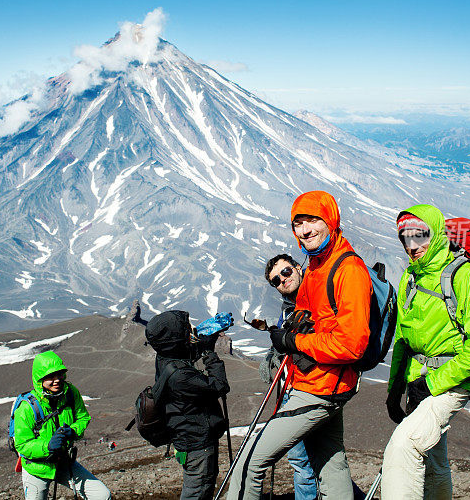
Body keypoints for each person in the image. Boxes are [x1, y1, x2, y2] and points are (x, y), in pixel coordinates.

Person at [227, 190, 372, 500]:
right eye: (298, 224)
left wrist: (292, 339)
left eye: (312, 220)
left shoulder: (348, 270)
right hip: (322, 385)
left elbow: (351, 344)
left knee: (249, 462)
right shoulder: (318, 266)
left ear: (331, 220)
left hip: (318, 388)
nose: (305, 230)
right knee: (331, 468)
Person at [381, 205, 470, 499]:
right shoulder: (411, 277)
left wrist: (432, 383)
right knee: (433, 459)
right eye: (405, 238)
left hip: (454, 379)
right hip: (419, 380)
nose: (412, 246)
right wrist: (395, 390)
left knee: (405, 446)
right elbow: (403, 340)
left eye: (420, 236)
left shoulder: (467, 278)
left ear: (436, 234)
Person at [146, 310, 231, 500]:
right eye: (185, 329)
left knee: (197, 488)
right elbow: (220, 386)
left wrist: (203, 341)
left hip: (186, 438)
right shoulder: (181, 376)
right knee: (198, 490)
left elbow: (183, 355)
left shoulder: (164, 359)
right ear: (175, 338)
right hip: (197, 442)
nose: (189, 330)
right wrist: (209, 353)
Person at [13, 350, 111, 500]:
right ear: (40, 380)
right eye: (50, 377)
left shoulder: (70, 393)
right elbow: (22, 444)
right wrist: (47, 446)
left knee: (102, 496)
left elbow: (83, 417)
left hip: (63, 461)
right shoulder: (27, 408)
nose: (57, 380)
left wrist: (73, 431)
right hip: (36, 468)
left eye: (59, 374)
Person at [261, 254, 318, 500]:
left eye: (285, 272)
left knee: (304, 461)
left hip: (311, 388)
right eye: (276, 280)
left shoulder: (317, 296)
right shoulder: (288, 307)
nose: (282, 281)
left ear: (297, 266)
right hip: (292, 387)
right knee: (313, 459)